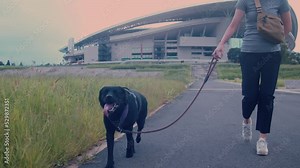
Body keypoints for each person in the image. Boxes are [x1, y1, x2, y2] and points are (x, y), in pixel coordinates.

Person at [212, 0, 292, 156]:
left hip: (272, 55)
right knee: (250, 95)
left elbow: (288, 27)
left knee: (267, 96)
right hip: (249, 54)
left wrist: (275, 37)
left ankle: (262, 139)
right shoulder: (245, 1)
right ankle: (247, 119)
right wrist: (221, 44)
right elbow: (233, 25)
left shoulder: (281, 1)